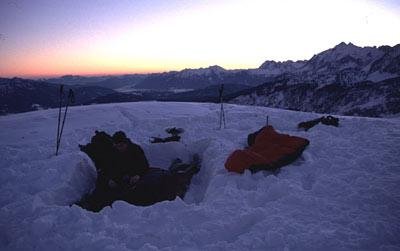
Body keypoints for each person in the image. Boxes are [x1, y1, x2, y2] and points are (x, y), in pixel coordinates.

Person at [77, 130, 200, 212]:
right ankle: (88, 206)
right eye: (117, 146)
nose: (120, 148)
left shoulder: (135, 149)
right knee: (108, 191)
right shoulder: (113, 152)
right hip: (122, 179)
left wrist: (137, 175)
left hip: (139, 175)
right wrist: (111, 179)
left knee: (155, 186)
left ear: (126, 142)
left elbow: (144, 165)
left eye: (122, 145)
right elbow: (109, 168)